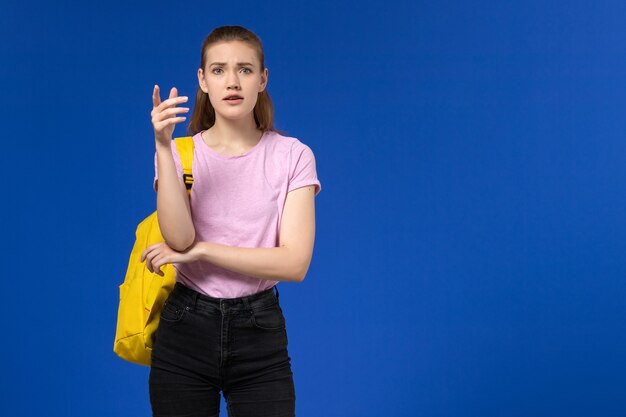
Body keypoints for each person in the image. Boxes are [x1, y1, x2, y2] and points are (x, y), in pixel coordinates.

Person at [140, 25, 321, 416]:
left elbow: (294, 263)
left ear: (262, 79)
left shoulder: (292, 156)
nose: (233, 81)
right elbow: (180, 239)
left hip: (259, 330)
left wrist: (205, 251)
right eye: (219, 70)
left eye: (245, 69)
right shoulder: (179, 152)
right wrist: (162, 145)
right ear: (202, 80)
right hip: (185, 326)